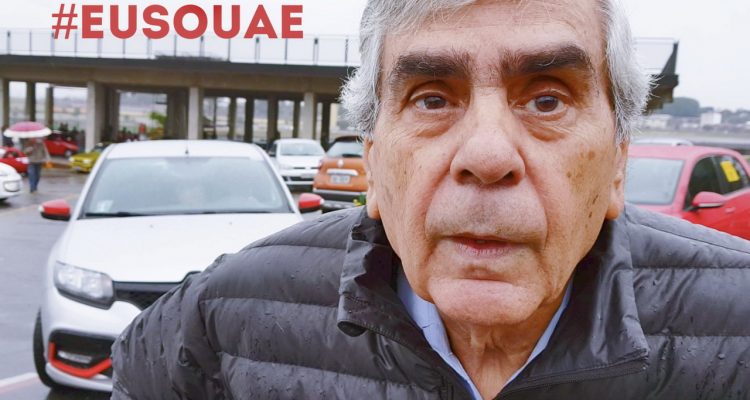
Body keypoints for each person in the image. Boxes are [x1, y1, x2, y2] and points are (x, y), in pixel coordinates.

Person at [111, 1, 750, 399]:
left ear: (617, 162)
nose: (488, 155)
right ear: (373, 160)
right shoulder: (224, 316)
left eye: (547, 99)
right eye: (432, 99)